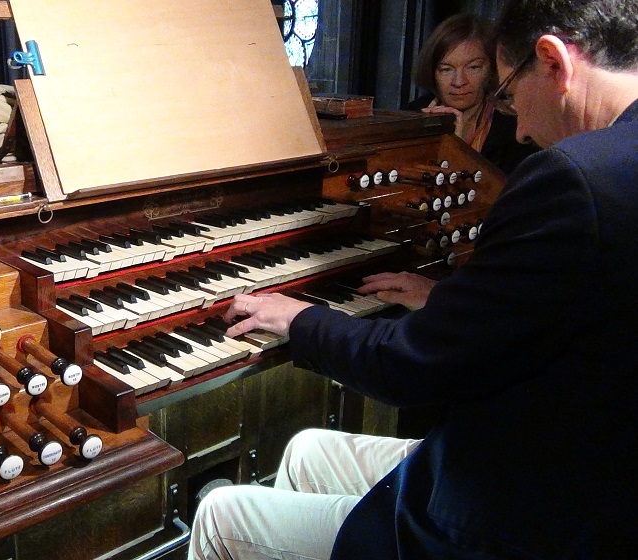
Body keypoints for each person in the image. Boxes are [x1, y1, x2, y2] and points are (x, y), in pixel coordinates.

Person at [189, 0, 638, 558]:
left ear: (553, 61)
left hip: (524, 515)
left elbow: (413, 366)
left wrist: (302, 318)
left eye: (507, 94)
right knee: (306, 448)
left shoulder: (573, 179)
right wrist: (454, 301)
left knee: (220, 511)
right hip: (584, 465)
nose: (520, 129)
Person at [408, 13, 538, 175]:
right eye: (446, 69)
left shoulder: (516, 128)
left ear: (492, 69)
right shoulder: (410, 119)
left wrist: (457, 151)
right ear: (433, 72)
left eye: (473, 67)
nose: (459, 82)